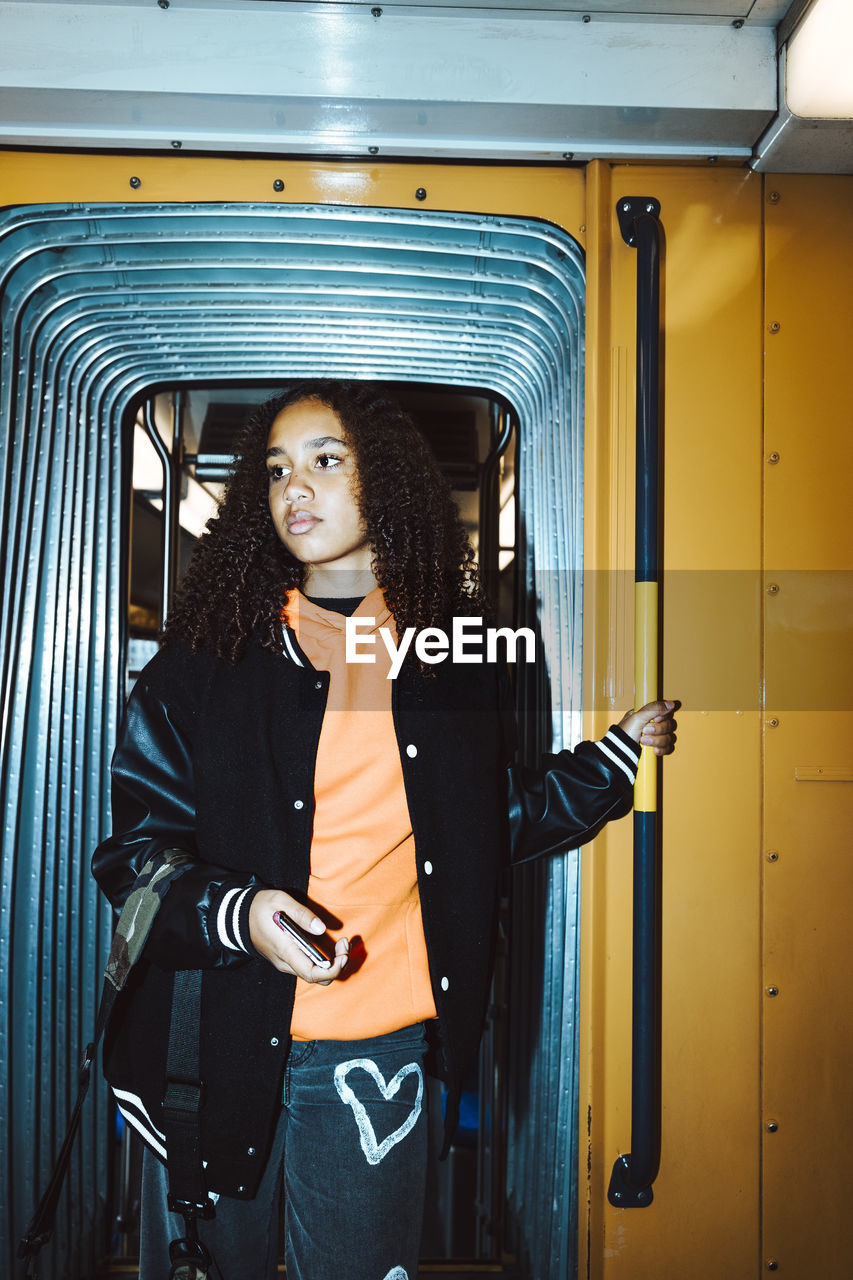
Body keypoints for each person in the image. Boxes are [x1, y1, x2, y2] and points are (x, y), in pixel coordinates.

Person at [93, 380, 677, 1280]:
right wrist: (239, 914)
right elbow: (133, 857)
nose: (297, 487)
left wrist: (611, 763)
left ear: (389, 483)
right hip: (215, 1043)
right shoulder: (205, 660)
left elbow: (482, 825)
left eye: (327, 460)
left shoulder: (444, 660)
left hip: (374, 1053)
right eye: (279, 468)